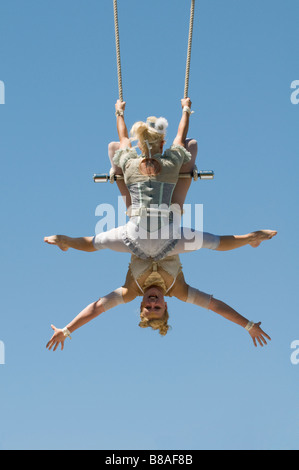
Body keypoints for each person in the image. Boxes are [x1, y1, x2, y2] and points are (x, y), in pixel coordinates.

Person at [44, 98, 277, 259]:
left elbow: (122, 136)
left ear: (138, 144)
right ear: (162, 144)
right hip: (167, 233)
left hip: (136, 234)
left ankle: (66, 241)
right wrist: (186, 109)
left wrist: (119, 111)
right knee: (214, 241)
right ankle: (249, 238)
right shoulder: (170, 162)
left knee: (94, 242)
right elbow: (181, 135)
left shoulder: (129, 161)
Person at [46, 252, 271, 350]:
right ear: (165, 305)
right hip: (169, 215)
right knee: (184, 159)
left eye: (147, 307)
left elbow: (96, 310)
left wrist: (67, 330)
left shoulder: (129, 291)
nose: (152, 302)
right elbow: (216, 306)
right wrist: (248, 325)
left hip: (139, 216)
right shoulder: (180, 290)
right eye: (157, 308)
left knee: (119, 156)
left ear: (141, 304)